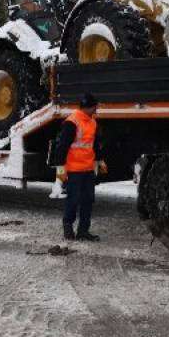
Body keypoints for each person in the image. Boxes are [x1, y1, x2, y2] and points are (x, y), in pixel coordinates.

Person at [52, 92, 107, 241]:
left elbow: (94, 144)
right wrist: (61, 169)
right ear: (88, 107)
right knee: (73, 200)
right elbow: (62, 147)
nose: (96, 110)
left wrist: (100, 160)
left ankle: (83, 231)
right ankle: (68, 227)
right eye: (95, 107)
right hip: (74, 170)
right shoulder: (72, 122)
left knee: (88, 200)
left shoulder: (92, 122)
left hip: (88, 169)